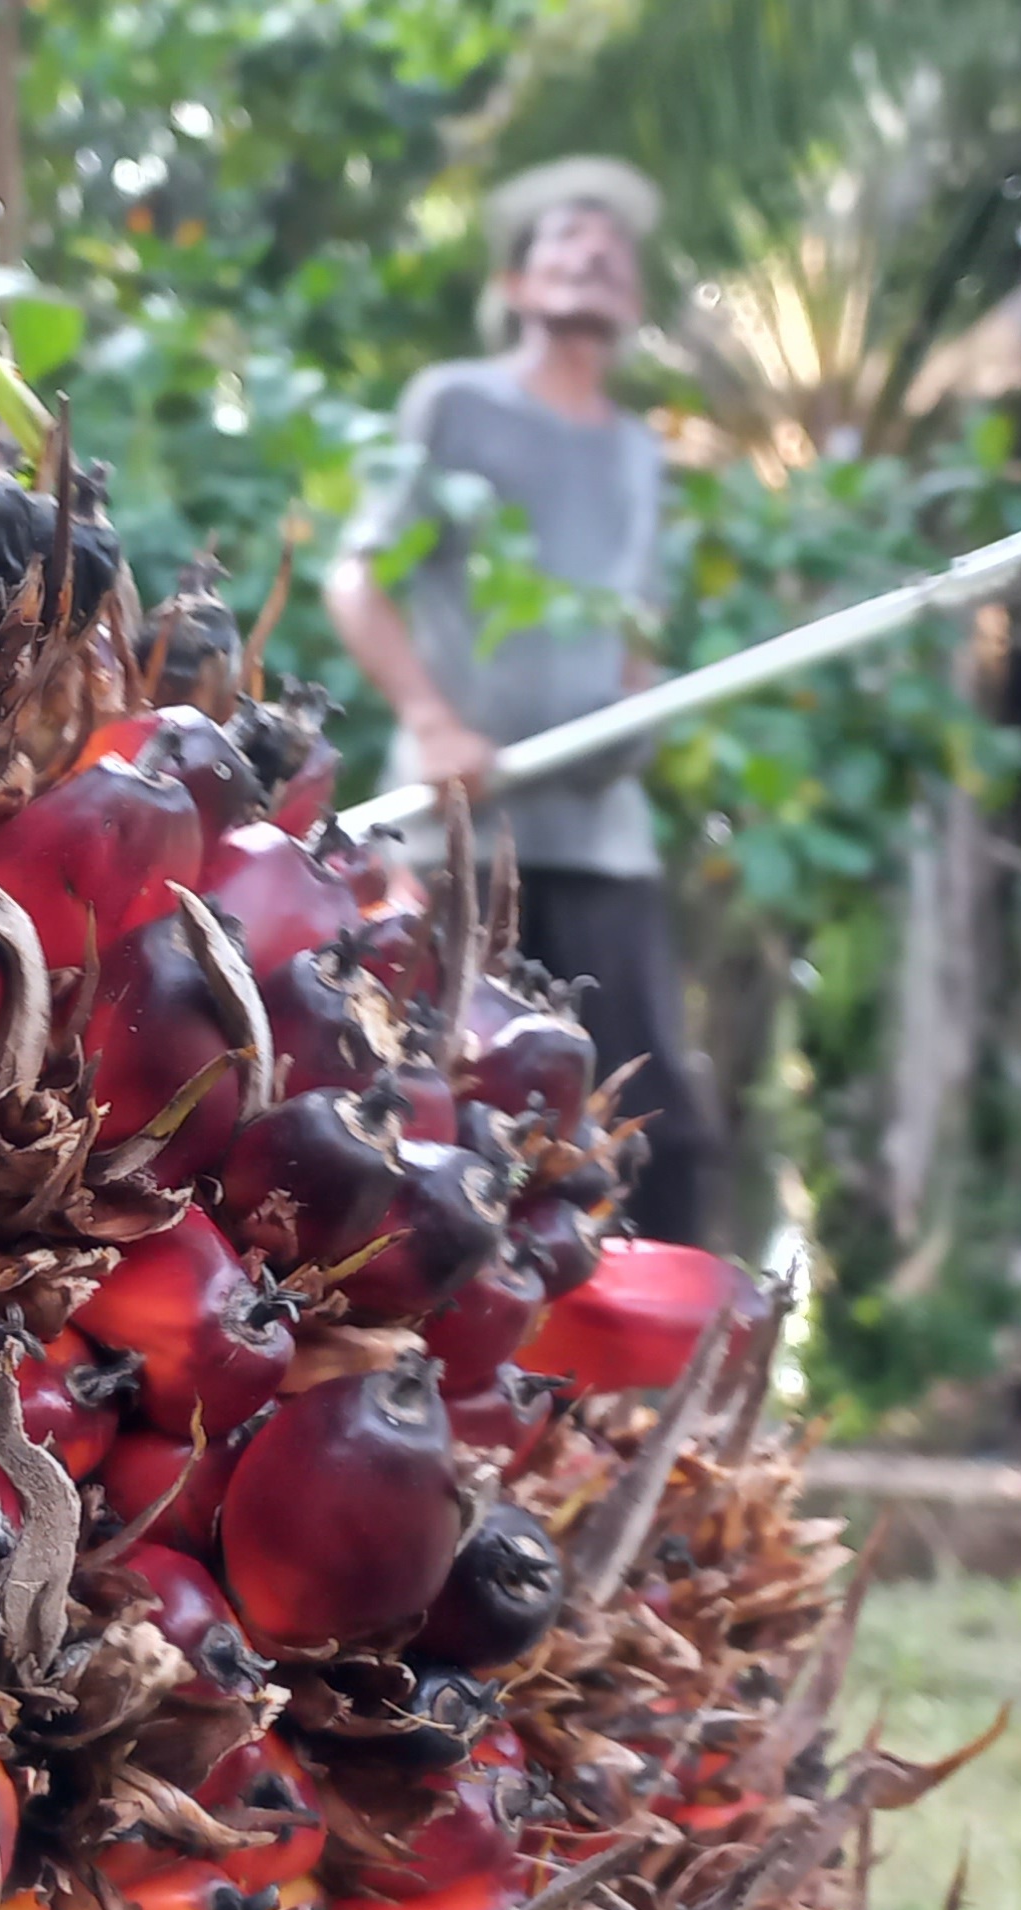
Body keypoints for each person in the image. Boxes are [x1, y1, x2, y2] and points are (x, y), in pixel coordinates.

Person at [323, 155, 709, 1245]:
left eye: (612, 251)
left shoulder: (638, 450)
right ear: (521, 284)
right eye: (564, 243)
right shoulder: (458, 404)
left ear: (630, 300)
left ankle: (650, 1385)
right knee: (443, 1101)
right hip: (459, 823)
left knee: (649, 1121)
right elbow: (359, 576)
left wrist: (641, 702)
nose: (592, 256)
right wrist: (434, 719)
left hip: (597, 829)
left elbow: (636, 617)